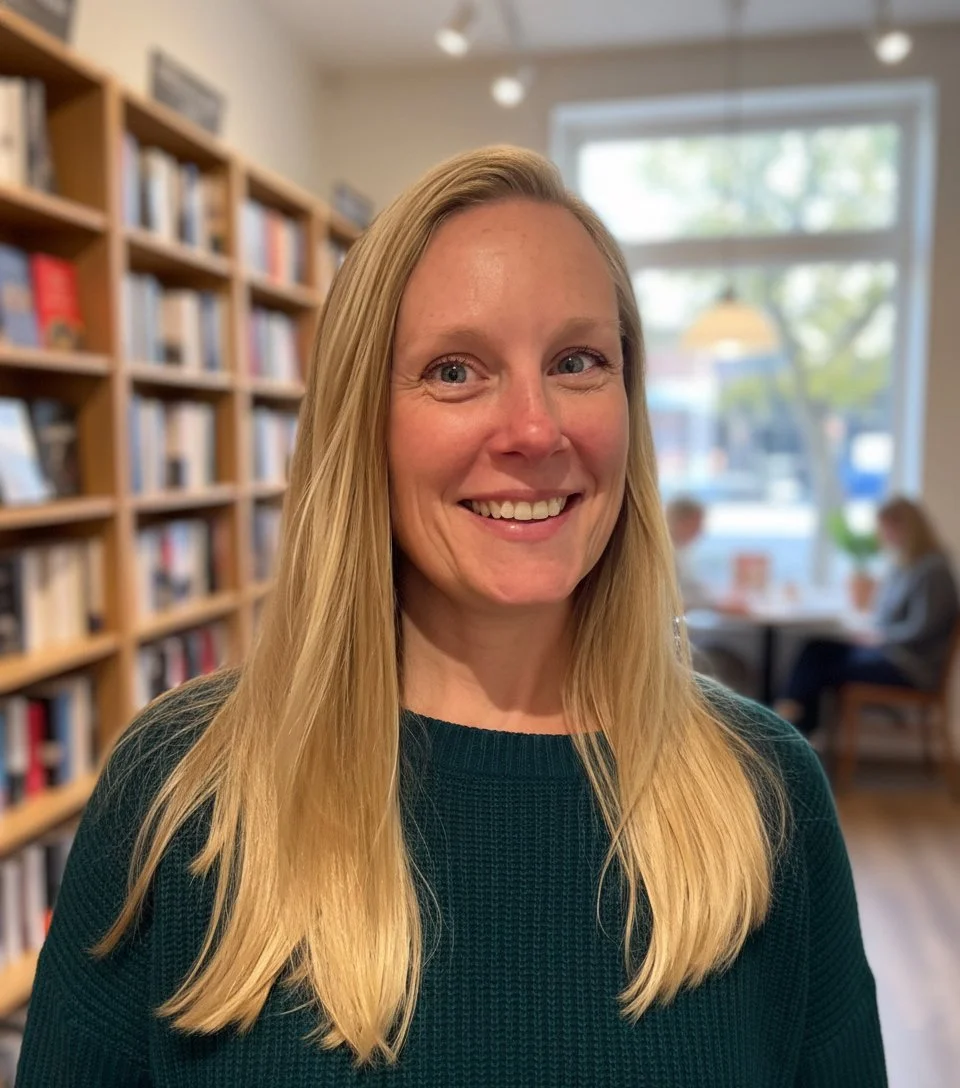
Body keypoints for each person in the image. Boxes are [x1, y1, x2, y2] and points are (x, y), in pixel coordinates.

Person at [16, 147, 886, 1086]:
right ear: (365, 427)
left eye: (578, 361)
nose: (535, 428)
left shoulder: (767, 793)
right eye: (456, 371)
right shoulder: (180, 791)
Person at [775, 496, 959, 735]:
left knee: (821, 667)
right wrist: (868, 632)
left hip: (909, 666)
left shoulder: (933, 570)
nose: (882, 536)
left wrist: (881, 637)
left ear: (905, 528)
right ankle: (794, 725)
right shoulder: (903, 565)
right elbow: (883, 615)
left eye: (885, 529)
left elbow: (921, 628)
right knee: (815, 647)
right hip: (888, 651)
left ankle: (792, 730)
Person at [666, 494, 754, 694]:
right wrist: (717, 605)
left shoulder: (678, 552)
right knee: (726, 664)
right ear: (685, 521)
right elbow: (682, 599)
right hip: (672, 643)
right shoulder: (667, 552)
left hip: (677, 637)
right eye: (698, 523)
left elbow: (692, 590)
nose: (701, 531)